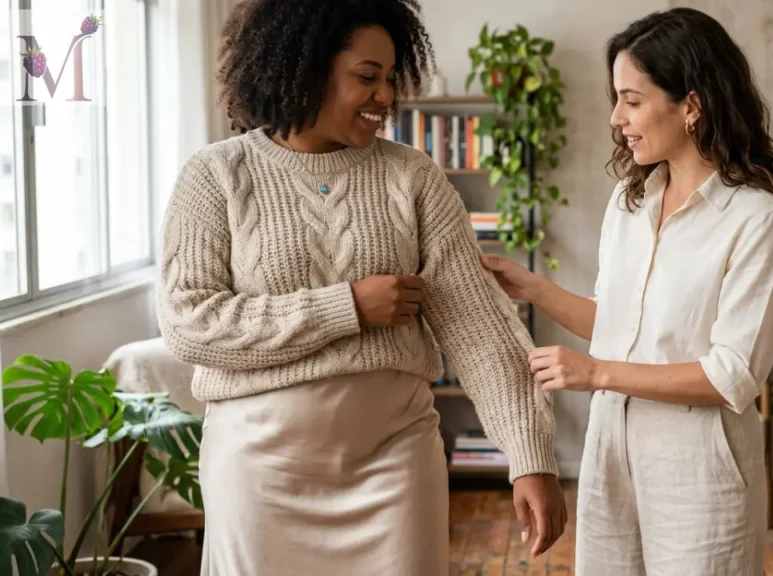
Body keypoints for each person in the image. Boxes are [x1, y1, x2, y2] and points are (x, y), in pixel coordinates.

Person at [155, 1, 566, 574]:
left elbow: (479, 328)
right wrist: (345, 307)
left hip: (393, 464)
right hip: (258, 470)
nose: (385, 97)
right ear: (304, 69)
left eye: (391, 79)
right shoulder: (217, 175)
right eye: (367, 77)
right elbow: (188, 323)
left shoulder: (413, 176)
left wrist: (529, 456)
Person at [481, 7, 773, 575]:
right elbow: (618, 324)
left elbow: (733, 374)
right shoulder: (630, 204)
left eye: (632, 100)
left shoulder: (757, 220)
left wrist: (596, 373)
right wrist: (530, 286)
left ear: (691, 104)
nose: (616, 117)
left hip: (698, 472)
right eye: (616, 99)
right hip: (610, 457)